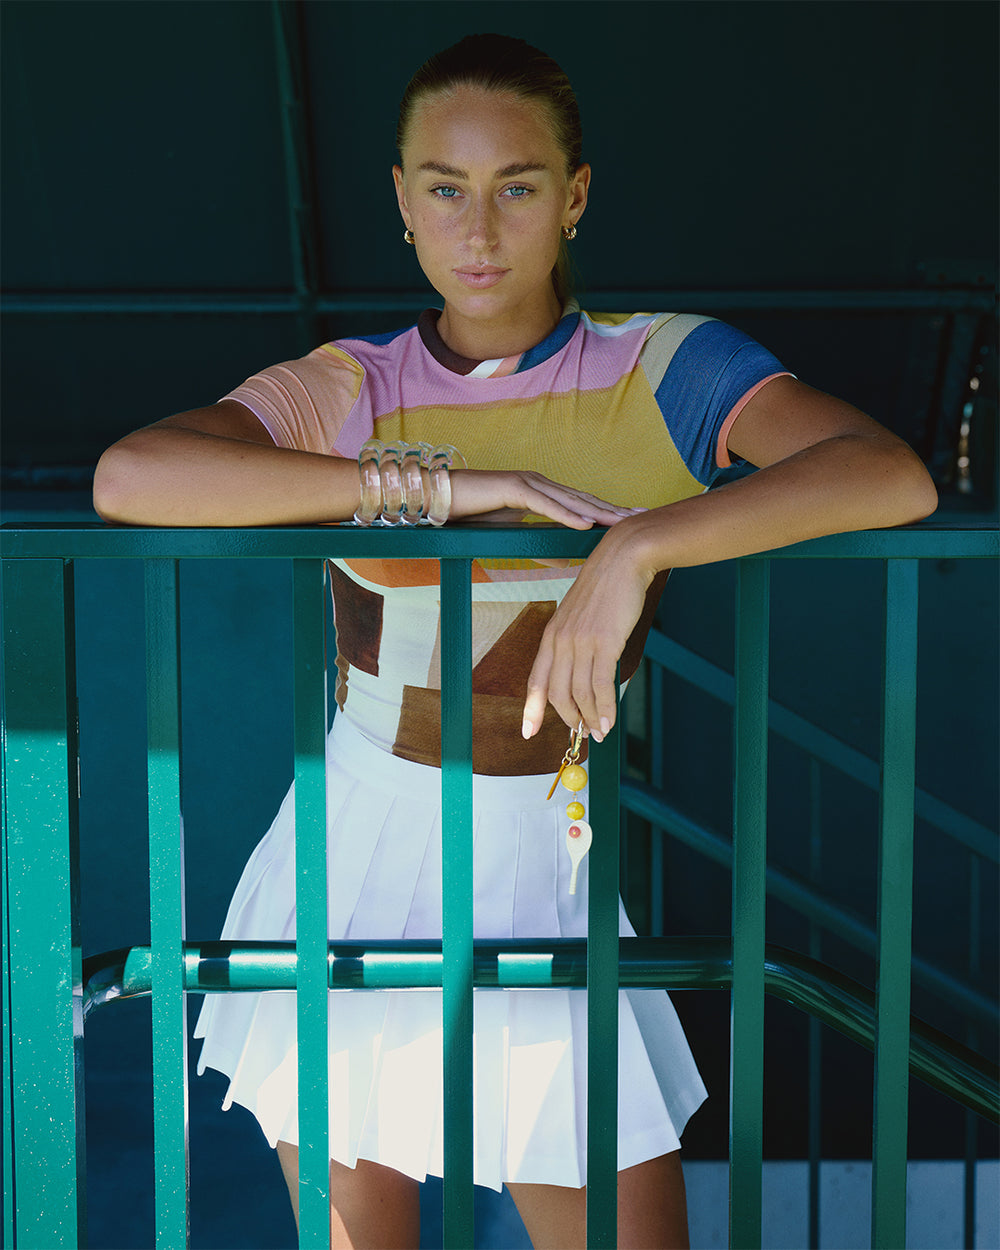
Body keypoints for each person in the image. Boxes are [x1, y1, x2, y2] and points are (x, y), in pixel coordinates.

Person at [93, 32, 937, 1250]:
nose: (477, 227)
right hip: (349, 851)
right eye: (444, 187)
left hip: (545, 858)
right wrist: (459, 490)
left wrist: (638, 547)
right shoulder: (353, 383)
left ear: (575, 195)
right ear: (401, 202)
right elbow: (133, 475)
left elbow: (886, 473)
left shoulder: (663, 366)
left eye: (517, 186)